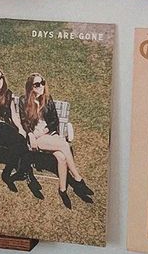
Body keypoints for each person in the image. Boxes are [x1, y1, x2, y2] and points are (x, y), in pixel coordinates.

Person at [19, 73, 93, 209]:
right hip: (35, 138)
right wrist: (30, 134)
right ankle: (78, 180)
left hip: (47, 134)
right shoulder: (23, 100)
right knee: (64, 145)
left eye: (42, 82)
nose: (41, 86)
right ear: (30, 87)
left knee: (61, 157)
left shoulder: (47, 99)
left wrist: (46, 130)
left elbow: (54, 121)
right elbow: (23, 121)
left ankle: (63, 190)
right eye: (37, 84)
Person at [0, 66, 43, 199]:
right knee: (19, 143)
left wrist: (20, 128)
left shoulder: (7, 94)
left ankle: (11, 174)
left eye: (1, 77)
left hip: (5, 127)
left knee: (20, 141)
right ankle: (26, 176)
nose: (0, 80)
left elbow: (14, 116)